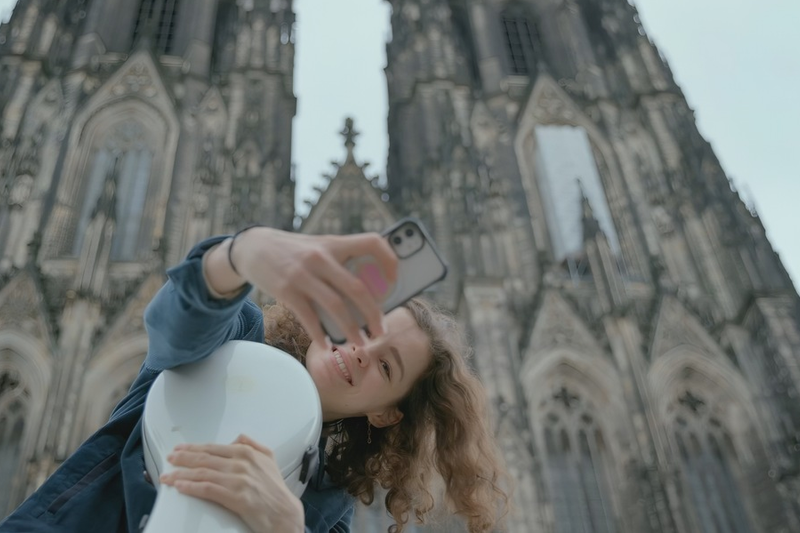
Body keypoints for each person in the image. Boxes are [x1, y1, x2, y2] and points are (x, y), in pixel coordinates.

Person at [0, 227, 509, 533]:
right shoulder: (230, 337)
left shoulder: (328, 512)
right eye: (366, 325)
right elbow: (175, 322)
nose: (362, 351)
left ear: (386, 412)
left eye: (386, 366)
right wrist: (243, 253)